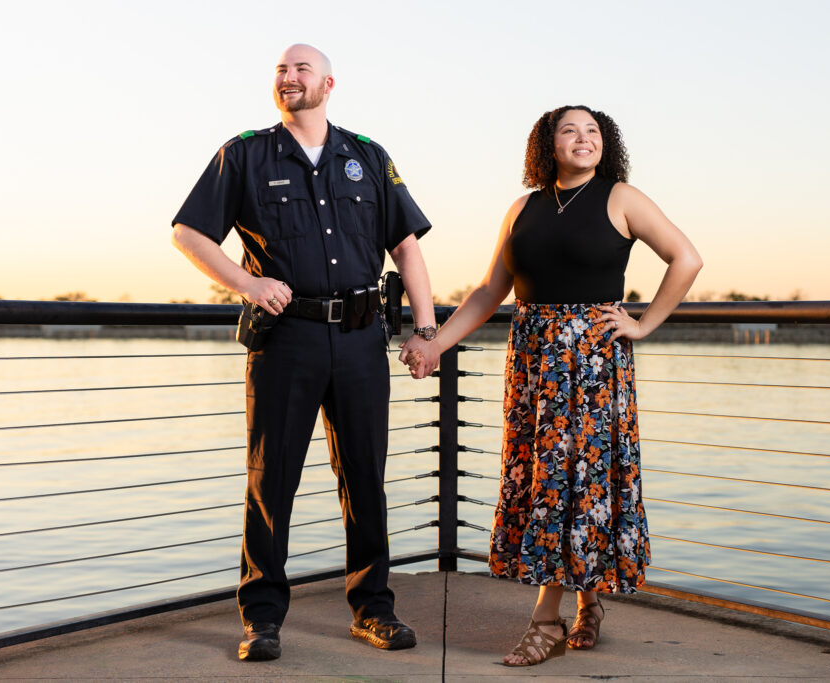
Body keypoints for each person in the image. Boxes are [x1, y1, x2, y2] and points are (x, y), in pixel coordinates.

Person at [400, 105, 702, 666]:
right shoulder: (523, 208)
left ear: (605, 143)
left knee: (574, 479)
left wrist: (643, 323)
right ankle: (588, 605)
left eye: (592, 131)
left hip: (592, 366)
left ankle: (546, 622)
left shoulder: (622, 198)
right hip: (535, 363)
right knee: (548, 474)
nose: (583, 139)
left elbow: (686, 258)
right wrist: (437, 344)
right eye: (570, 130)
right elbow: (492, 290)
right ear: (548, 144)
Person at [171, 43, 438, 662]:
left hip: (359, 339)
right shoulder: (243, 153)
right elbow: (188, 232)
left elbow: (407, 249)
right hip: (284, 339)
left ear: (328, 83)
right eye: (281, 71)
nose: (288, 78)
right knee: (272, 482)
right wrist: (247, 283)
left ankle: (373, 610)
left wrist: (424, 331)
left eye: (301, 70)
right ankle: (261, 620)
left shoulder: (368, 157)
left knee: (364, 477)